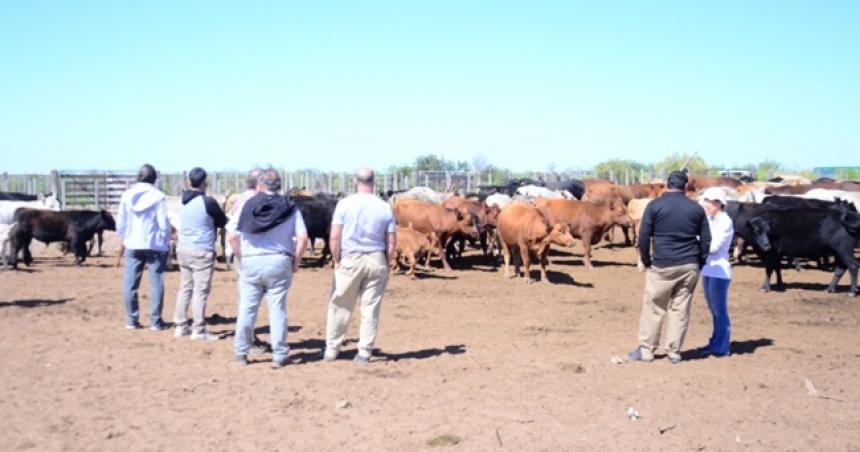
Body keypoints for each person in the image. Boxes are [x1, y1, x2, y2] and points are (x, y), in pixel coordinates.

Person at [227, 168, 308, 368]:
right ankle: (279, 354)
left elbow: (232, 236)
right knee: (277, 309)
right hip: (279, 262)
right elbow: (303, 238)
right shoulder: (290, 207)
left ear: (260, 185)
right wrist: (295, 262)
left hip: (252, 261)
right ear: (279, 185)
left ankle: (241, 353)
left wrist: (241, 258)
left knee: (247, 308)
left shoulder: (247, 205)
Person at [628, 170, 711, 364]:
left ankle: (647, 350)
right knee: (680, 309)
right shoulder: (696, 208)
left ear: (667, 184)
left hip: (663, 264)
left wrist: (646, 259)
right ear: (686, 186)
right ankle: (674, 352)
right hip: (689, 264)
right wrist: (700, 261)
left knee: (654, 307)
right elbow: (706, 238)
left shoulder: (655, 205)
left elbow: (643, 236)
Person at [323, 168, 397, 364]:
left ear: (356, 181)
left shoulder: (344, 204)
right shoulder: (384, 207)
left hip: (350, 258)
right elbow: (391, 242)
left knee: (340, 304)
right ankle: (364, 351)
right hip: (376, 259)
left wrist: (337, 259)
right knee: (370, 307)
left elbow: (335, 236)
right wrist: (387, 263)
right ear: (374, 182)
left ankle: (332, 349)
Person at [174, 167, 228, 341]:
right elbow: (223, 221)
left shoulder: (182, 200)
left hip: (183, 248)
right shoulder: (208, 202)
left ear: (189, 182)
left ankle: (181, 326)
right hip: (201, 250)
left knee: (185, 287)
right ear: (205, 182)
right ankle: (198, 329)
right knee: (200, 291)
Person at [117, 163, 172, 331]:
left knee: (130, 284)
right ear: (154, 179)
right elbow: (163, 223)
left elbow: (121, 222)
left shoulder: (127, 196)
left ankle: (131, 320)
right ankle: (155, 321)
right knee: (156, 284)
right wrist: (166, 238)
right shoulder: (158, 196)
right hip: (154, 244)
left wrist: (125, 238)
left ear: (138, 177)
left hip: (133, 243)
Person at [698, 187, 734, 357]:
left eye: (709, 202)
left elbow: (713, 247)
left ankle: (722, 346)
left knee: (719, 311)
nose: (706, 205)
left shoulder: (725, 222)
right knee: (714, 310)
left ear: (719, 203)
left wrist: (695, 242)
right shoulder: (710, 219)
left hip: (719, 272)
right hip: (708, 270)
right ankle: (715, 342)